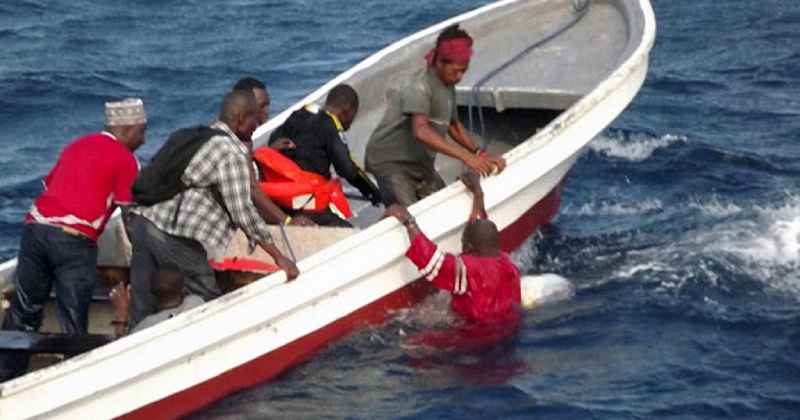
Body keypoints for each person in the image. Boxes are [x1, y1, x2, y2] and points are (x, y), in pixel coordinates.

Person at [0, 98, 147, 381]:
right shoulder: (125, 159)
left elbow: (53, 186)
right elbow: (129, 215)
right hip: (73, 240)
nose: (144, 139)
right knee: (73, 318)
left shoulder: (77, 145)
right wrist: (141, 258)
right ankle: (73, 381)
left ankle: (7, 374)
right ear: (128, 130)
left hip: (34, 229)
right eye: (142, 131)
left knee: (24, 311)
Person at [127, 89, 298, 328]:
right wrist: (279, 257)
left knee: (142, 304)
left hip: (143, 222)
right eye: (254, 121)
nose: (256, 127)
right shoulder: (230, 152)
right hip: (173, 236)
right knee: (207, 295)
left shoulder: (198, 137)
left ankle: (134, 346)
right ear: (240, 119)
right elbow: (243, 212)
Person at [365, 24, 506, 206]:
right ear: (439, 62)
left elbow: (453, 125)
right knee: (412, 213)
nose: (460, 76)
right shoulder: (419, 86)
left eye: (464, 70)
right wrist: (466, 157)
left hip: (419, 161)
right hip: (390, 162)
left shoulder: (448, 84)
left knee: (444, 203)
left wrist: (479, 153)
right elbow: (421, 131)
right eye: (456, 71)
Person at [385, 171, 521, 325]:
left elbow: (430, 260)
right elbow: (482, 232)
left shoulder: (468, 270)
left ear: (468, 247)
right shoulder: (508, 264)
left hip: (475, 337)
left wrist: (408, 221)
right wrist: (478, 195)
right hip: (508, 330)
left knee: (413, 343)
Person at [266, 84, 382, 226]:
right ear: (347, 111)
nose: (350, 125)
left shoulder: (299, 114)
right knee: (348, 231)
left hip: (283, 199)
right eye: (353, 116)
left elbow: (273, 142)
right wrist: (372, 193)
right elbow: (347, 168)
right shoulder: (330, 124)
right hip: (308, 202)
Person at [231, 78, 314, 227]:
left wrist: (268, 152)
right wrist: (288, 221)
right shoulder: (241, 141)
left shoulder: (234, 131)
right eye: (261, 106)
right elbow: (251, 189)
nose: (267, 112)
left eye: (267, 105)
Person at [108, 269, 204, 337]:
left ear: (152, 295)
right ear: (183, 290)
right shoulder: (196, 303)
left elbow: (122, 349)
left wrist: (121, 315)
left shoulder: (146, 327)